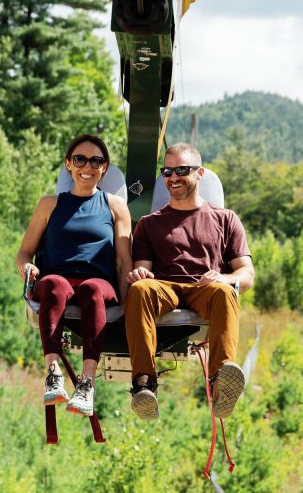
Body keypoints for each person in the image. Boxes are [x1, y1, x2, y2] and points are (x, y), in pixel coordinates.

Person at [125, 142, 255, 421]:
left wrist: (224, 278)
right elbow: (143, 269)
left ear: (200, 173)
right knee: (139, 289)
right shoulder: (149, 224)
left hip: (205, 288)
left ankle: (221, 382)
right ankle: (144, 385)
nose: (173, 177)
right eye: (168, 171)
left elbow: (246, 274)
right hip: (165, 287)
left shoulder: (226, 219)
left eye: (182, 170)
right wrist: (140, 275)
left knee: (226, 291)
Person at [16, 134, 132, 417]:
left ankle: (87, 383)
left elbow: (123, 260)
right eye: (79, 159)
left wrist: (128, 303)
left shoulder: (115, 206)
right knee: (54, 284)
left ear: (104, 168)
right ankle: (53, 373)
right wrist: (26, 268)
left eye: (96, 161)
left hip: (98, 283)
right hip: (57, 280)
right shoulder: (49, 205)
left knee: (92, 289)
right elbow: (24, 253)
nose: (87, 167)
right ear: (69, 164)